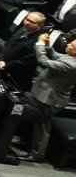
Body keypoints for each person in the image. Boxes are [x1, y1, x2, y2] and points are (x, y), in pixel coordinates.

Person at [25, 29, 76, 161]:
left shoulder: (72, 65)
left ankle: (37, 154)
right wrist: (47, 45)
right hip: (44, 94)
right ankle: (29, 145)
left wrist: (40, 44)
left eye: (72, 46)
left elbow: (43, 61)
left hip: (51, 99)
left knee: (42, 126)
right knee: (37, 121)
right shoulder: (69, 57)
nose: (68, 45)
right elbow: (55, 54)